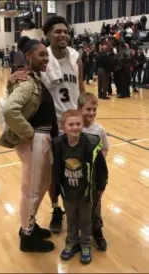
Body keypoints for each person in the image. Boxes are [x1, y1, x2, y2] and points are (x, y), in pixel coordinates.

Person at [7, 15, 86, 234]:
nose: (63, 35)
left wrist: (85, 112)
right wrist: (12, 77)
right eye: (58, 31)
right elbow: (25, 76)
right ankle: (55, 209)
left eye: (66, 31)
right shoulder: (43, 55)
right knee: (52, 173)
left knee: (75, 169)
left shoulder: (76, 56)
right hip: (51, 125)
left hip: (73, 123)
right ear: (48, 35)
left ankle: (75, 209)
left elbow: (80, 86)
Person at [0, 39, 58, 253]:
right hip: (36, 139)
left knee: (44, 183)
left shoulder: (34, 78)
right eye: (42, 55)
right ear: (29, 56)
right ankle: (27, 236)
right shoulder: (26, 81)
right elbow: (10, 110)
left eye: (47, 55)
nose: (46, 58)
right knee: (32, 189)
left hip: (43, 139)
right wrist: (29, 133)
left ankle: (29, 225)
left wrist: (9, 82)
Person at [52, 109, 108, 264]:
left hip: (86, 192)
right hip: (68, 191)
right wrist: (55, 189)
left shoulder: (91, 144)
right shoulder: (58, 144)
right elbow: (56, 168)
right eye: (71, 124)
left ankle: (85, 245)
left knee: (85, 220)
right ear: (63, 127)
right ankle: (72, 242)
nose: (75, 127)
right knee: (71, 219)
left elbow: (101, 167)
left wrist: (101, 185)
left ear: (83, 125)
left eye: (78, 124)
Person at [77, 92, 109, 251]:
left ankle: (97, 230)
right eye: (88, 109)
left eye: (94, 109)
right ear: (79, 109)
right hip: (78, 175)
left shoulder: (99, 129)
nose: (92, 113)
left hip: (94, 177)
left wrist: (97, 168)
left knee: (95, 204)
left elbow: (105, 148)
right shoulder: (75, 127)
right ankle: (78, 232)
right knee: (78, 203)